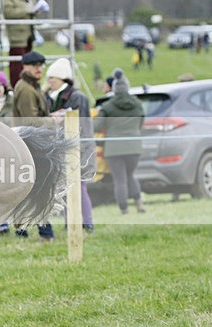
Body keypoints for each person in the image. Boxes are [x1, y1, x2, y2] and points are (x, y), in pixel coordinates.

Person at [44, 57, 96, 233]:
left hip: (78, 147)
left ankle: (86, 223)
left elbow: (80, 124)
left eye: (53, 78)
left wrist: (61, 118)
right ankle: (70, 222)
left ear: (62, 78)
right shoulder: (54, 96)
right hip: (63, 147)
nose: (50, 81)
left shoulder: (77, 97)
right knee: (66, 187)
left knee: (79, 186)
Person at [11, 51, 57, 240]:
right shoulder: (27, 89)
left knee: (33, 188)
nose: (39, 69)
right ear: (25, 67)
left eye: (41, 65)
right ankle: (42, 231)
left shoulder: (31, 86)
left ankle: (26, 230)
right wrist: (53, 121)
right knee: (37, 188)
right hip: (31, 145)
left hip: (32, 144)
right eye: (35, 65)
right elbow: (30, 121)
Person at [94, 68, 146, 215]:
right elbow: (141, 122)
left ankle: (124, 209)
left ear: (115, 89)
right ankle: (139, 203)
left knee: (119, 180)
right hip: (134, 147)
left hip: (113, 149)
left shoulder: (107, 106)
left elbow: (96, 126)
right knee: (130, 175)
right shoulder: (137, 104)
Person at [2, 0, 36, 87]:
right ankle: (16, 86)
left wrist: (36, 10)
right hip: (16, 36)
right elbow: (8, 13)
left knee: (28, 62)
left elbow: (32, 8)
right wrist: (27, 10)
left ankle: (27, 84)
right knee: (17, 64)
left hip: (28, 35)